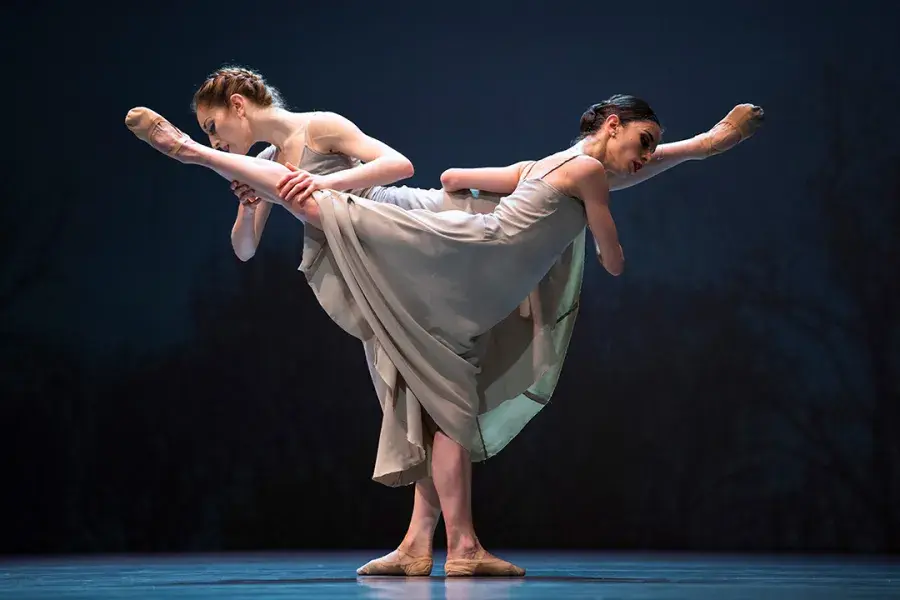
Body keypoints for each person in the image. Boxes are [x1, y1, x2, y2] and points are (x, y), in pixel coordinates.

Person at [125, 74, 763, 576]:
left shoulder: (324, 129)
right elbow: (247, 249)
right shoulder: (566, 169)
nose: (219, 139)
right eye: (205, 139)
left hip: (417, 236)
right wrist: (256, 198)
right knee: (428, 389)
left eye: (211, 132)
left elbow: (409, 169)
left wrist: (709, 143)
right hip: (403, 247)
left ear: (237, 104)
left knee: (436, 382)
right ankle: (432, 543)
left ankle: (442, 543)